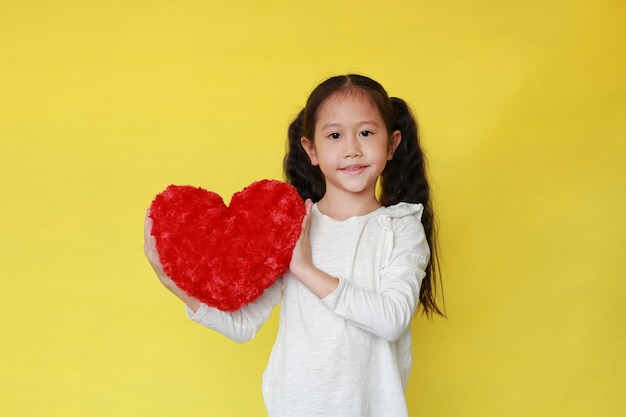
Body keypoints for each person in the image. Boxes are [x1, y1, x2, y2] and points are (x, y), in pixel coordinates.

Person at [144, 74, 444, 416]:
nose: (351, 149)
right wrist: (171, 282)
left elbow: (391, 319)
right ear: (311, 150)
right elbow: (242, 325)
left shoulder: (400, 227)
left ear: (391, 144)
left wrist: (305, 269)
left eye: (366, 132)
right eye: (334, 135)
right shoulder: (289, 224)